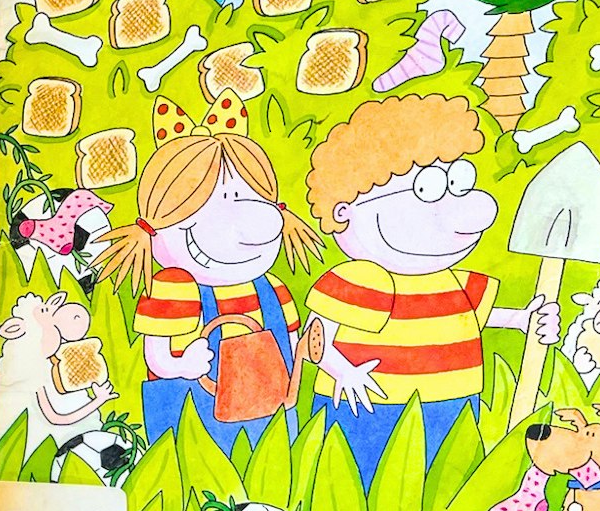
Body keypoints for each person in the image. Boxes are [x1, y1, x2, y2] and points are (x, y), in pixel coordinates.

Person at [303, 94, 559, 487]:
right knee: (362, 482)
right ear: (344, 211)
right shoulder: (360, 279)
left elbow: (479, 316)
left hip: (453, 401)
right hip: (371, 405)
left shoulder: (453, 280)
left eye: (459, 184)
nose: (462, 208)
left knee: (438, 479)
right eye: (427, 190)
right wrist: (344, 372)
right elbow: (317, 340)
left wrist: (525, 320)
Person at [99, 102, 325, 453]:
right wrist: (182, 364)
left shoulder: (273, 289)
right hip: (199, 413)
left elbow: (294, 345)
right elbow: (156, 356)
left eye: (252, 196)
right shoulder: (175, 287)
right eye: (221, 200)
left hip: (271, 410)